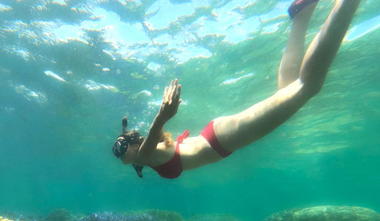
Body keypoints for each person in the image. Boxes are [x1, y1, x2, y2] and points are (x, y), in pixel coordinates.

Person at [112, 0, 362, 179]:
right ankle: (300, 16)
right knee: (286, 91)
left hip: (220, 140)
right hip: (218, 136)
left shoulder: (145, 154)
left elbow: (152, 136)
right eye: (117, 150)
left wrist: (162, 116)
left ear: (134, 147)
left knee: (307, 87)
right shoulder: (143, 158)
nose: (118, 153)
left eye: (121, 147)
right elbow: (143, 151)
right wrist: (129, 134)